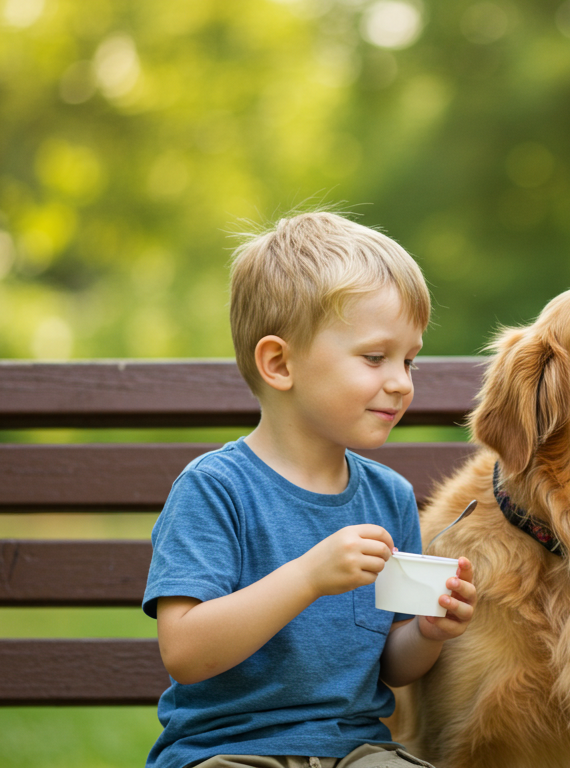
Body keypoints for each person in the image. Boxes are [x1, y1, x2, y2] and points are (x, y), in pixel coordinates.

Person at [142, 211, 477, 768]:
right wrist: (306, 577)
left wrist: (429, 631)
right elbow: (186, 653)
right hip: (231, 750)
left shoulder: (388, 495)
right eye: (375, 357)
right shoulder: (215, 489)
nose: (401, 381)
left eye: (409, 360)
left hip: (356, 752)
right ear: (279, 363)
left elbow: (392, 665)